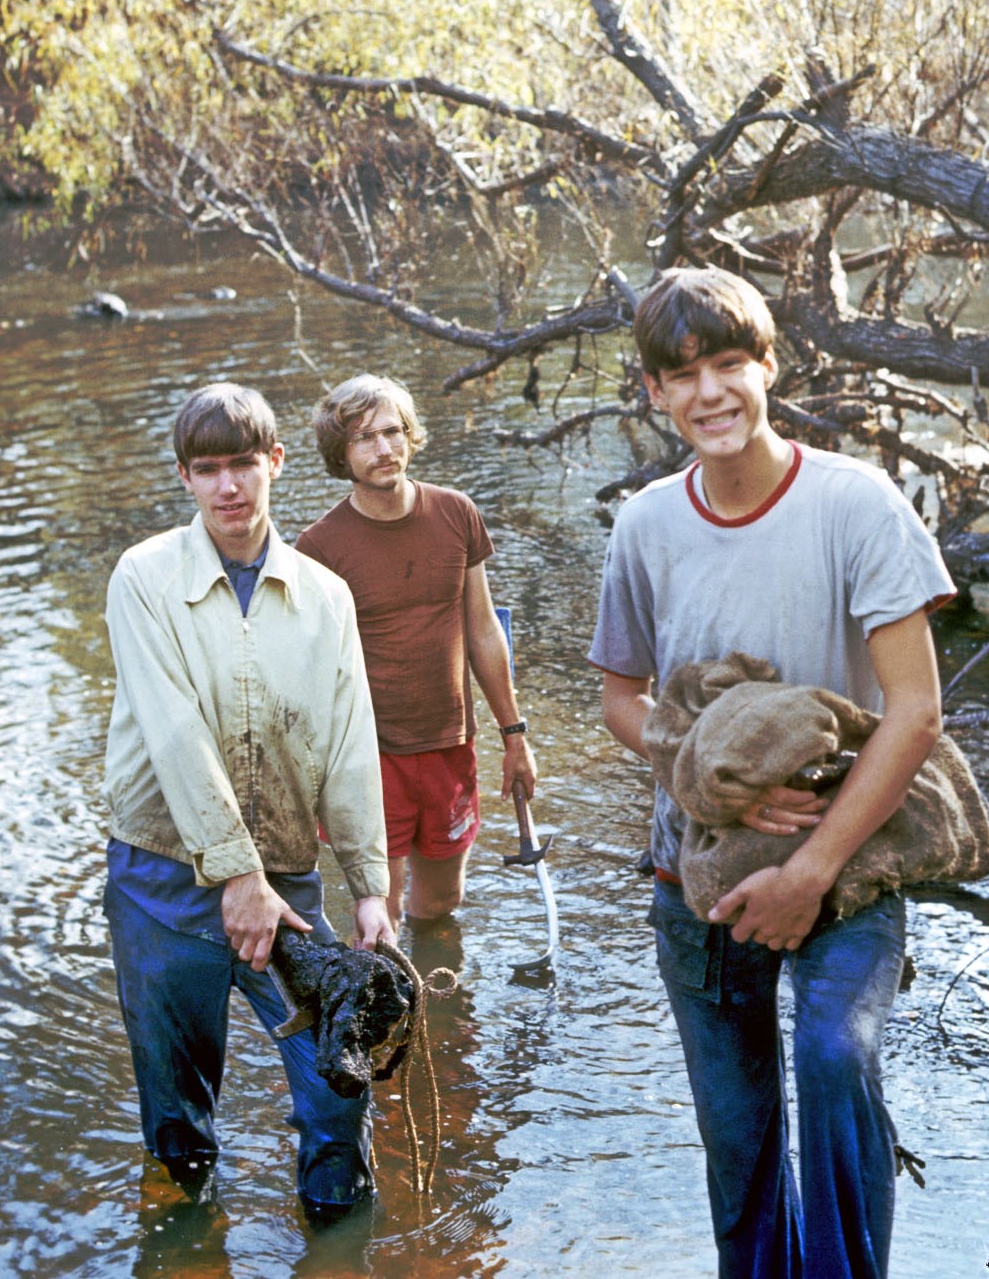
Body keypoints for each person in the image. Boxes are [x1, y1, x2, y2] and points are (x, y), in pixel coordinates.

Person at [588, 267, 954, 1279]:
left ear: (767, 367)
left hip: (848, 860)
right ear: (654, 392)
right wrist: (716, 782)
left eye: (727, 363)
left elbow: (915, 710)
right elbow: (622, 697)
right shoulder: (646, 525)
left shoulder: (855, 503)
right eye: (682, 374)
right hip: (696, 869)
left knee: (836, 1054)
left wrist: (809, 870)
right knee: (738, 1141)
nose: (709, 392)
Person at [101, 382, 394, 1222]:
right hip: (160, 880)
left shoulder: (325, 596)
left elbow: (350, 744)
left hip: (287, 886)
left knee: (338, 1086)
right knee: (177, 1115)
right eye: (207, 470)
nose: (228, 487)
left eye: (242, 464)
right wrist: (235, 875)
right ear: (184, 478)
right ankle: (185, 1245)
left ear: (276, 462)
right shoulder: (144, 577)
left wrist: (369, 887)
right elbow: (174, 732)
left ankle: (340, 1250)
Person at [297, 373, 537, 933]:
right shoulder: (318, 548)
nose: (383, 449)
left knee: (440, 905)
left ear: (410, 436)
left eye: (392, 431)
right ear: (341, 453)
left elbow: (483, 632)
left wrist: (514, 737)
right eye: (364, 438)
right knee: (378, 916)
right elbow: (310, 674)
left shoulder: (456, 513)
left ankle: (439, 988)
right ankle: (382, 987)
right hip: (369, 757)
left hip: (450, 745)